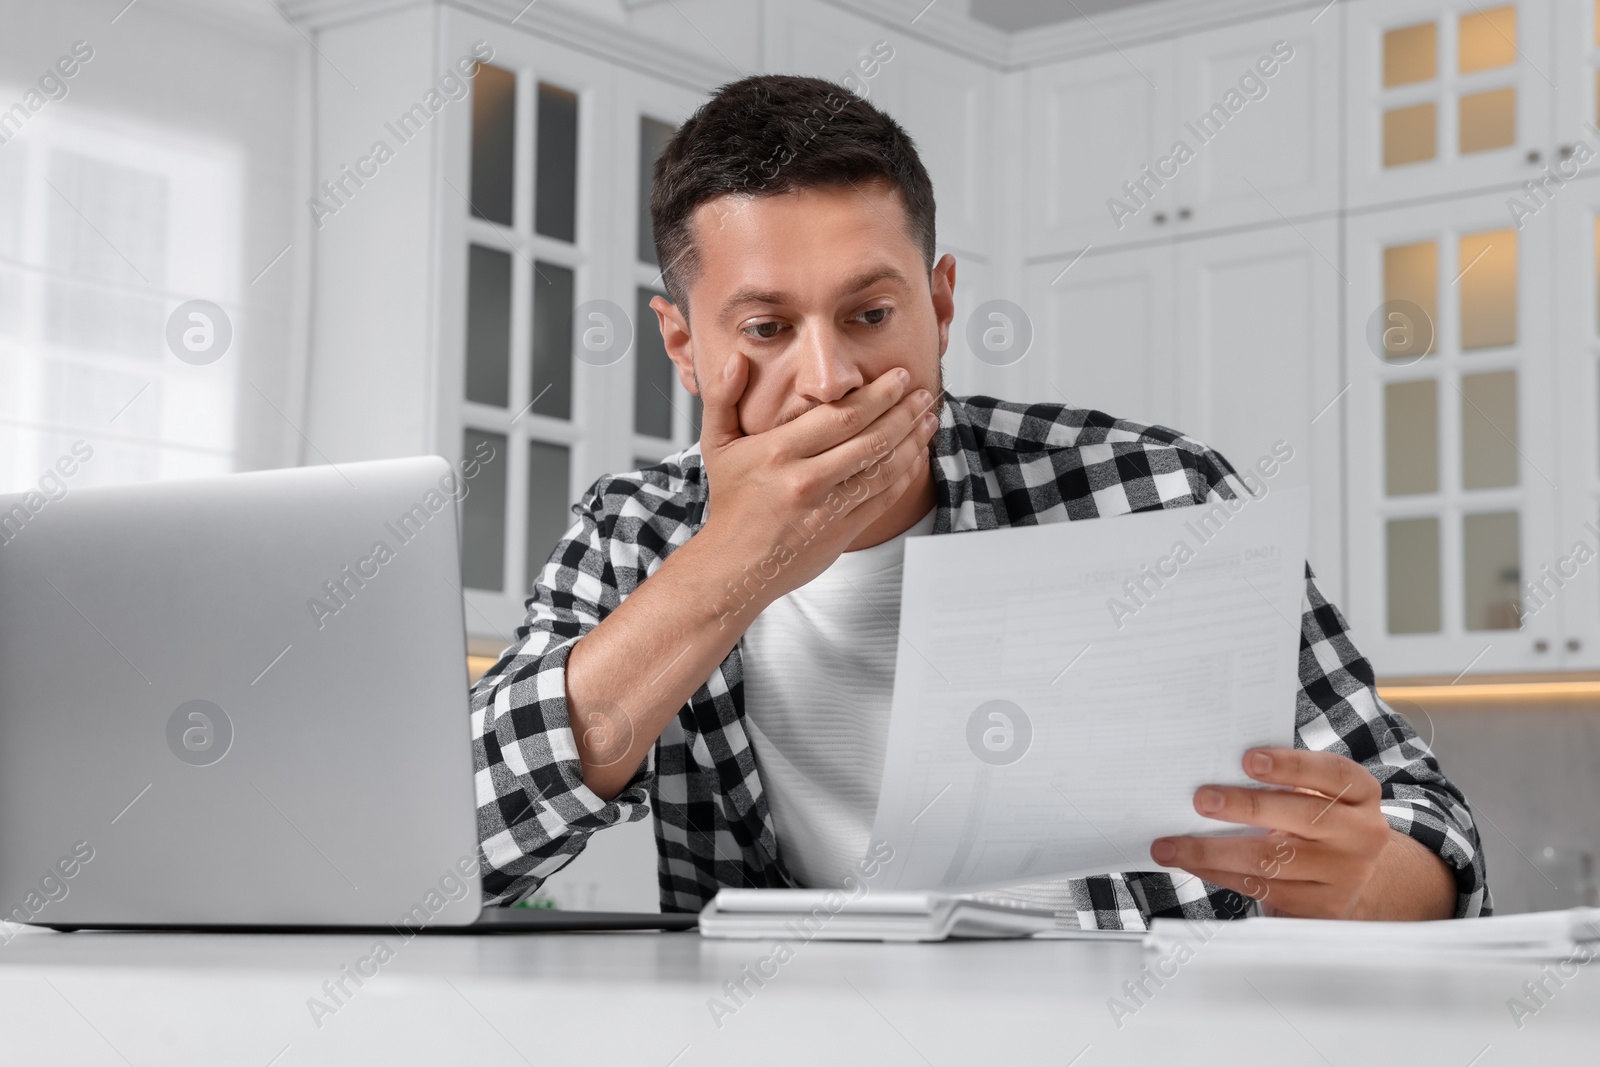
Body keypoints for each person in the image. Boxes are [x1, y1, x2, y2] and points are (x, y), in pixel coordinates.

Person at [469, 73, 1489, 927]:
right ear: (684, 345)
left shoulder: (1159, 497)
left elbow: (1433, 838)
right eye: (768, 329)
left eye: (870, 312)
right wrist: (729, 565)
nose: (829, 378)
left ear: (941, 303)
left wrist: (1364, 875)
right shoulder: (633, 532)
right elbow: (446, 855)